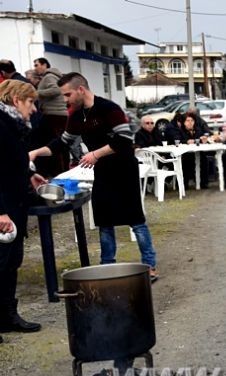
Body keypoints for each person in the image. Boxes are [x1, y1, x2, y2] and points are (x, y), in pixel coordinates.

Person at [29, 73, 159, 281]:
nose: (65, 100)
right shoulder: (76, 115)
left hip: (124, 169)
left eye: (68, 94)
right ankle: (107, 266)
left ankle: (150, 265)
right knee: (104, 219)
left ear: (81, 90)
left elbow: (125, 138)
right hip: (102, 172)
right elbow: (63, 143)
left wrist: (95, 154)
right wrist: (36, 152)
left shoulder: (109, 109)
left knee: (135, 219)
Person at [0, 80, 47, 339]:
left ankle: (7, 316)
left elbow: (13, 160)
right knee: (1, 262)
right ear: (16, 100)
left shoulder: (13, 125)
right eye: (30, 103)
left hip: (15, 203)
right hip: (4, 206)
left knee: (11, 262)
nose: (34, 109)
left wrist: (31, 175)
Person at [33, 58, 69, 176]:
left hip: (54, 115)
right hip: (57, 114)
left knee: (56, 144)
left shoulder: (49, 76)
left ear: (44, 65)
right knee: (60, 143)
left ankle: (60, 172)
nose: (35, 67)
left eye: (37, 65)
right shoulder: (54, 76)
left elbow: (56, 90)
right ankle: (62, 170)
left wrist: (36, 93)